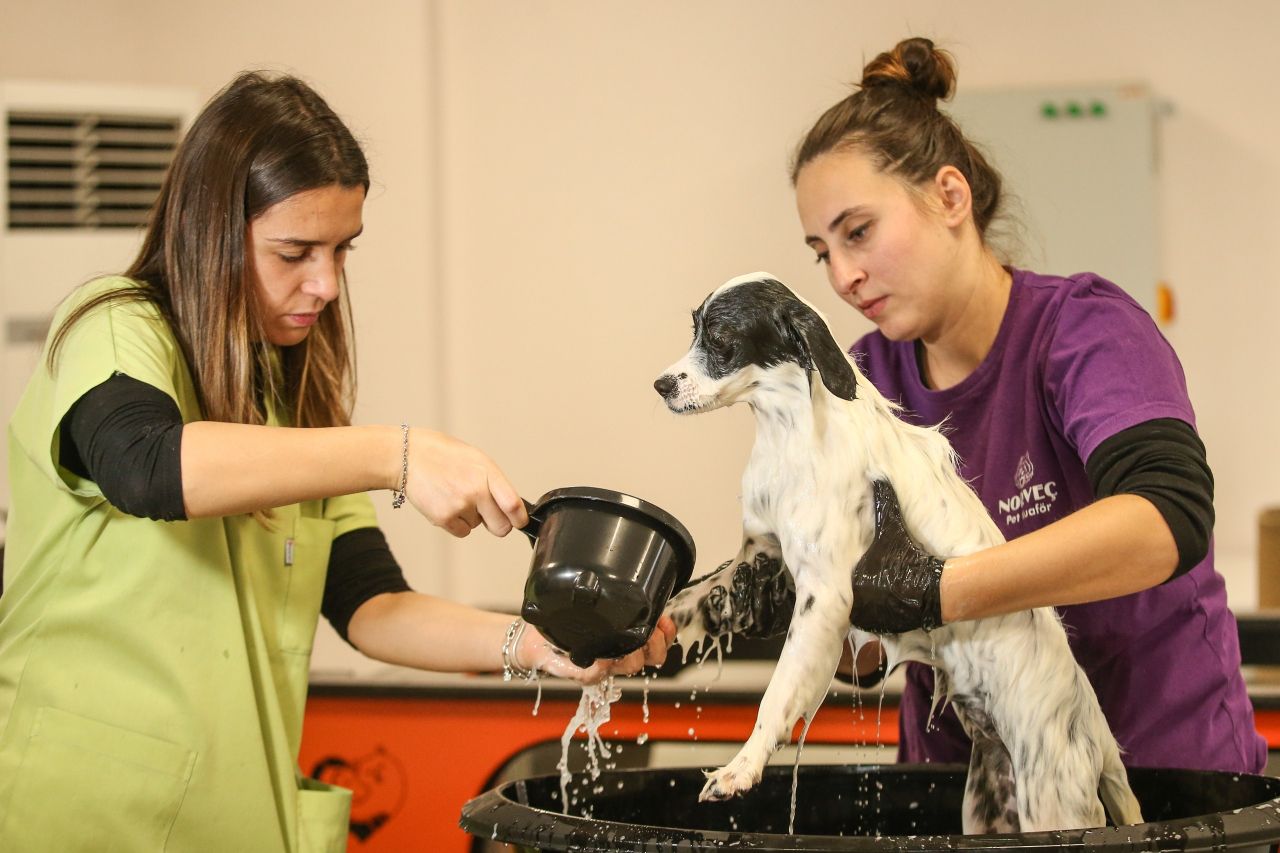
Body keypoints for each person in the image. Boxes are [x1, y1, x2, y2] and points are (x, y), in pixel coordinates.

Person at [0, 72, 672, 852]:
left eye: (342, 249)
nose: (325, 284)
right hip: (84, 818)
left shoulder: (290, 402)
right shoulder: (115, 328)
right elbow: (148, 465)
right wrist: (398, 454)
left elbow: (371, 605)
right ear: (210, 232)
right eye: (295, 252)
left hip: (231, 822)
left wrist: (534, 643)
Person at [791, 37, 1265, 773]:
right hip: (964, 787)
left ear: (951, 197)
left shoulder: (1083, 331)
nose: (843, 276)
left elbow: (1164, 517)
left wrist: (938, 591)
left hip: (1153, 776)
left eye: (859, 232)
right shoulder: (861, 381)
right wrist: (825, 613)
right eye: (823, 252)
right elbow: (860, 648)